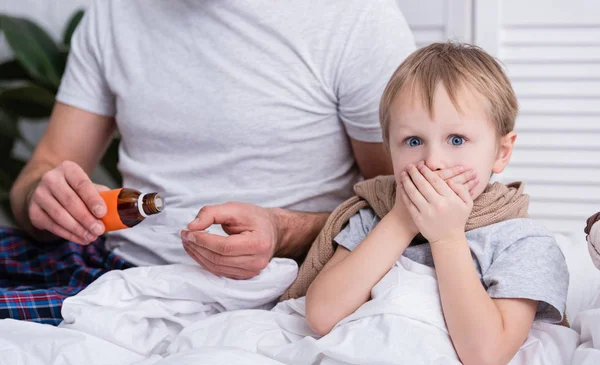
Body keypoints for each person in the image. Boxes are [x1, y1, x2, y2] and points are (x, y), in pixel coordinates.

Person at [1, 1, 474, 325]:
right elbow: (40, 173)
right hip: (119, 270)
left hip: (276, 289)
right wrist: (43, 198)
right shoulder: (115, 12)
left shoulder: (351, 17)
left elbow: (404, 204)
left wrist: (283, 230)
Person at [305, 42, 569, 365]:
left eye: (456, 140)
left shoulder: (524, 243)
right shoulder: (375, 217)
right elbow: (321, 316)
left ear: (502, 152)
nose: (433, 163)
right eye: (413, 142)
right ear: (390, 151)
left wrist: (446, 238)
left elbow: (485, 358)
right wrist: (401, 221)